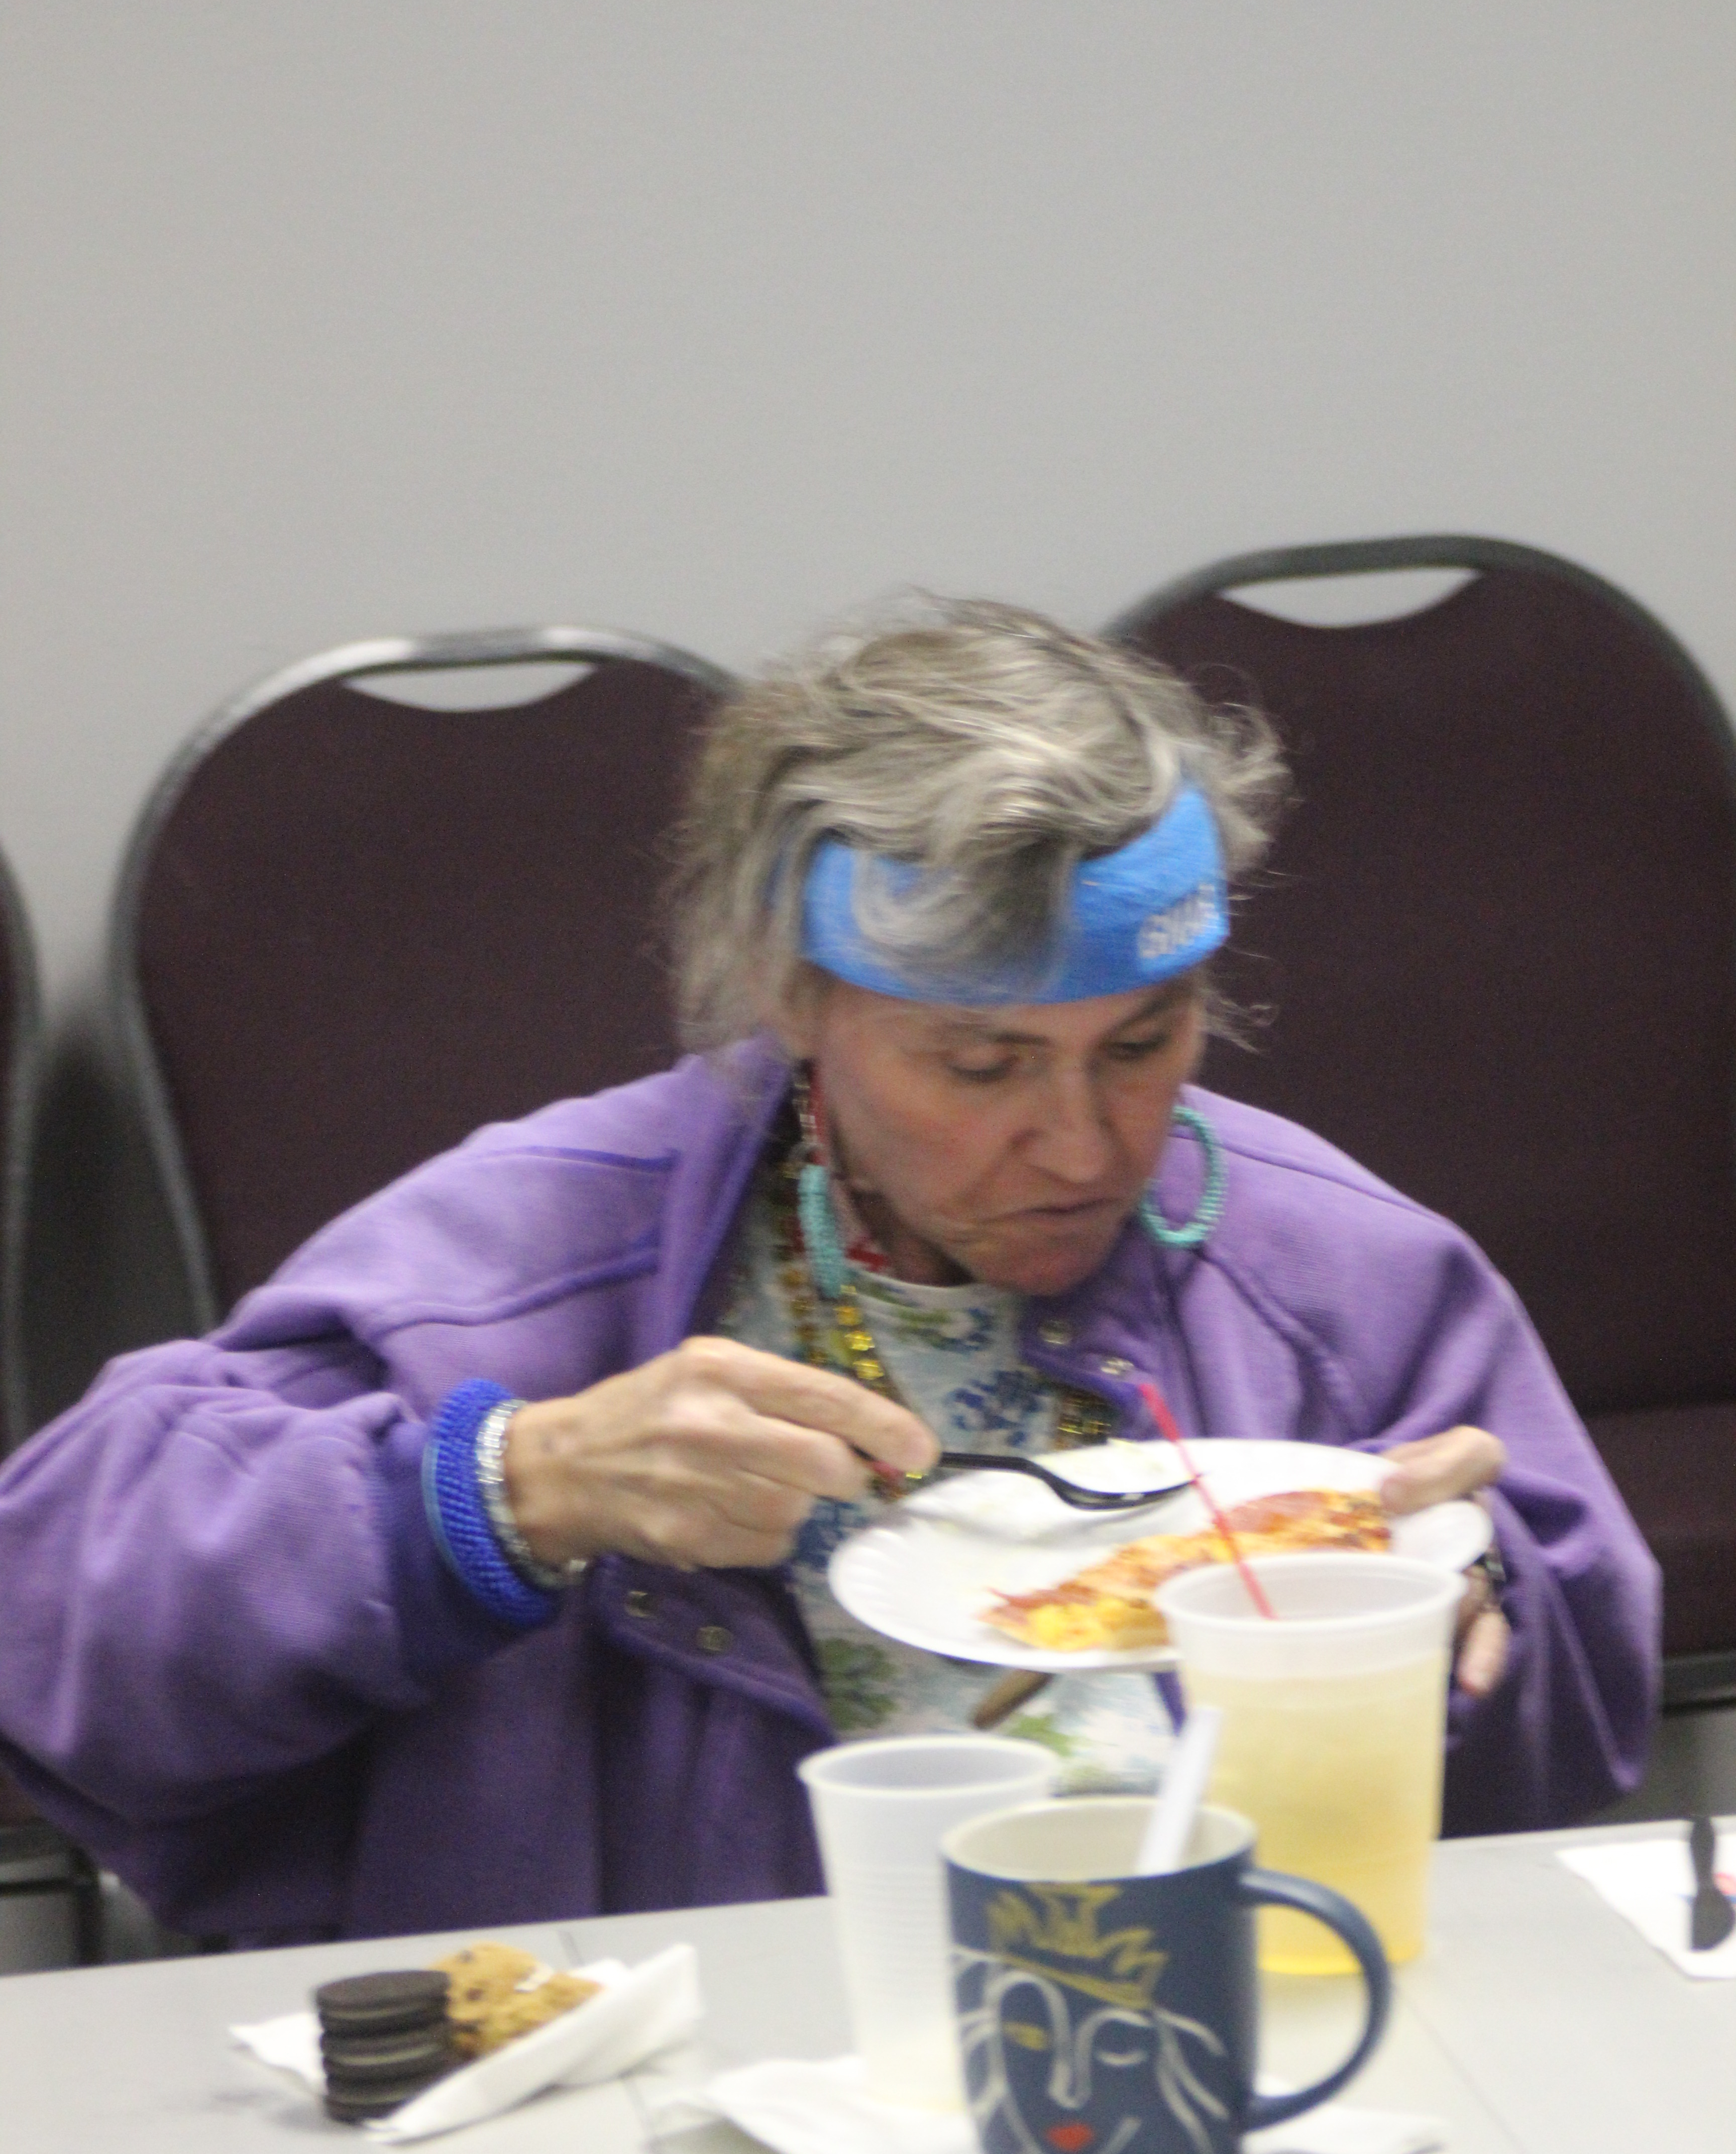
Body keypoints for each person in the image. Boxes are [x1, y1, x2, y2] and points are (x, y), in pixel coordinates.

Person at [0, 602, 1658, 1945]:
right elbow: (56, 1619)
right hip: (680, 2085)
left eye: (1143, 1045)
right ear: (795, 999)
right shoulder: (533, 1259)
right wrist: (506, 1492)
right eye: (983, 1067)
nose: (1083, 1146)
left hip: (1231, 2027)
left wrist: (1459, 1618)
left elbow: (1576, 1700)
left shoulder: (1323, 1270)